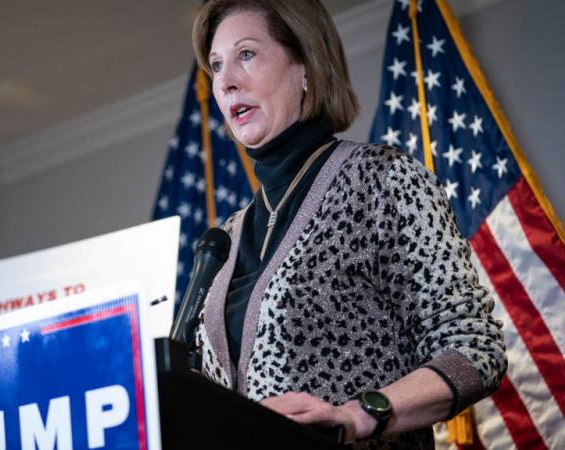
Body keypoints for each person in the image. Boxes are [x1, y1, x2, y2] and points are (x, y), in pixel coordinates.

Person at [190, 0, 507, 447]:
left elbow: (475, 348)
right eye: (217, 64)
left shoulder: (381, 180)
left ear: (305, 66)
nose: (225, 81)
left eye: (246, 54)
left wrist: (358, 415)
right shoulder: (223, 240)